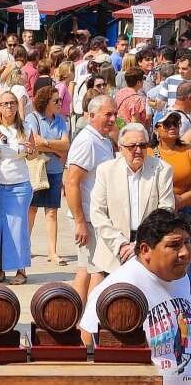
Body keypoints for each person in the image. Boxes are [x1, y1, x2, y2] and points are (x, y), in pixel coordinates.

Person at [78, 209, 191, 383]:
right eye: (174, 245)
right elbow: (87, 346)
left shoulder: (180, 275)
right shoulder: (117, 291)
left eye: (187, 242)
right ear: (145, 250)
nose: (185, 252)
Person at [90, 123, 174, 273]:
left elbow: (166, 211)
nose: (138, 150)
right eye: (131, 146)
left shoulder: (163, 170)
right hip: (113, 251)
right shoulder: (105, 170)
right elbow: (97, 213)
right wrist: (120, 244)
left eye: (142, 145)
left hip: (150, 248)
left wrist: (140, 244)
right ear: (120, 148)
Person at [64, 95, 118, 325]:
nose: (113, 119)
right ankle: (90, 325)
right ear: (92, 115)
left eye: (114, 114)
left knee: (86, 271)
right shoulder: (87, 141)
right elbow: (72, 181)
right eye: (108, 114)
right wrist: (80, 221)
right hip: (88, 217)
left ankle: (73, 323)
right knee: (98, 271)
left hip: (94, 217)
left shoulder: (102, 139)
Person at [0, 90, 39, 285]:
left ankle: (21, 270)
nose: (9, 106)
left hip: (19, 185)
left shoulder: (25, 128)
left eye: (12, 103)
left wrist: (30, 151)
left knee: (18, 228)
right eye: (5, 103)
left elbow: (33, 155)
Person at [25, 86, 71, 266]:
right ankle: (25, 247)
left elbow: (66, 144)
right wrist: (56, 148)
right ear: (46, 102)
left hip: (54, 170)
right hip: (38, 169)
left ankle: (52, 251)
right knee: (32, 209)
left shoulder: (61, 120)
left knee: (52, 211)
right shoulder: (32, 118)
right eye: (56, 101)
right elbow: (33, 142)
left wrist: (46, 144)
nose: (60, 103)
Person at [152, 111, 191, 214]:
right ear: (156, 129)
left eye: (176, 124)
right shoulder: (147, 152)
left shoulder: (188, 151)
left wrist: (182, 199)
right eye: (167, 124)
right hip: (157, 208)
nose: (173, 127)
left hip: (185, 209)